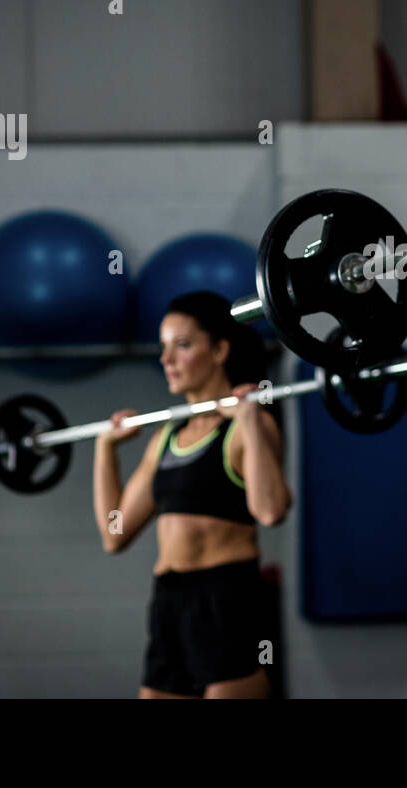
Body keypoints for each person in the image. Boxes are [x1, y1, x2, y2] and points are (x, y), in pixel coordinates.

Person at [94, 290, 292, 698]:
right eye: (164, 347)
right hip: (169, 602)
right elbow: (114, 535)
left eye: (182, 346)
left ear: (219, 350)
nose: (166, 360)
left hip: (224, 599)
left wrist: (252, 419)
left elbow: (271, 511)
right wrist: (105, 449)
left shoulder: (244, 429)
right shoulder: (166, 439)